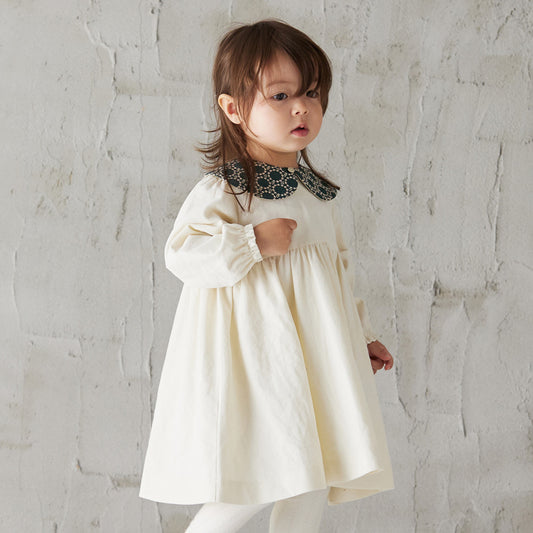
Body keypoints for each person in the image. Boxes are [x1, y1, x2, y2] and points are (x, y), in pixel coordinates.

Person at [138, 19, 395, 533]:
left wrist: (360, 335)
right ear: (234, 109)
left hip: (317, 355)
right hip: (258, 360)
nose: (301, 107)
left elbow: (339, 273)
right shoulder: (227, 191)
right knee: (270, 474)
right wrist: (251, 242)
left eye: (311, 93)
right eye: (280, 96)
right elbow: (183, 254)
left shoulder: (316, 196)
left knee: (313, 472)